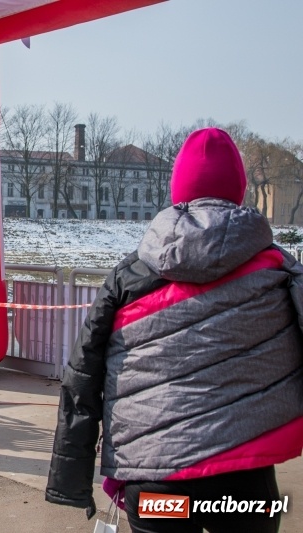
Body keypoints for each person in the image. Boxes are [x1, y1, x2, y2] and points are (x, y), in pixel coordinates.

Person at [45, 128, 303, 533]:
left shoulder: (129, 276)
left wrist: (71, 476)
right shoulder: (281, 270)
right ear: (240, 190)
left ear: (177, 189)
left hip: (157, 481)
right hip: (243, 482)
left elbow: (81, 377)